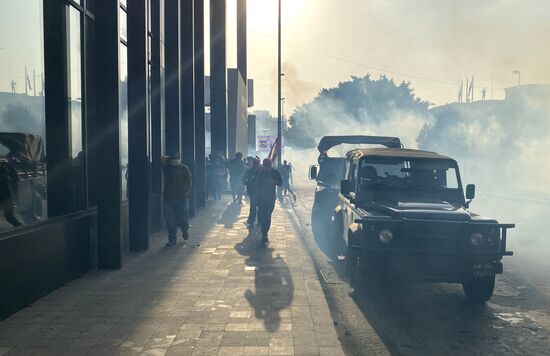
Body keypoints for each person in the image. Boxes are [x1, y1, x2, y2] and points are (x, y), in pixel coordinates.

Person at [161, 151, 192, 246]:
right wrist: (167, 157)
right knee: (170, 219)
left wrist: (187, 191)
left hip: (181, 197)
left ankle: (185, 229)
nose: (174, 161)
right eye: (172, 159)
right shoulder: (167, 168)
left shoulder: (184, 168)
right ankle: (172, 238)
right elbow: (161, 159)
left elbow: (189, 181)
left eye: (176, 159)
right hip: (168, 198)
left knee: (183, 217)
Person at [255, 158, 282, 244]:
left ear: (271, 164)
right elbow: (255, 183)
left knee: (268, 215)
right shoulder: (259, 172)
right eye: (266, 165)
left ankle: (265, 231)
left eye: (269, 164)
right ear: (263, 164)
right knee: (264, 216)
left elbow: (280, 183)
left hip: (270, 197)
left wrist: (274, 182)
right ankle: (264, 233)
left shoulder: (275, 172)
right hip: (261, 197)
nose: (267, 166)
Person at [0, 160, 22, 227]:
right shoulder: (6, 171)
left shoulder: (4, 172)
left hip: (5, 196)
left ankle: (19, 227)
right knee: (9, 216)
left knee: (9, 216)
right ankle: (19, 227)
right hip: (6, 196)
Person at [242, 158, 260, 227]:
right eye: (254, 163)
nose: (255, 164)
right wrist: (247, 183)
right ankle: (252, 220)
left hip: (260, 191)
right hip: (253, 191)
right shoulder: (249, 171)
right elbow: (243, 179)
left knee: (258, 206)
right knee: (253, 206)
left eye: (256, 163)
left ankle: (258, 220)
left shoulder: (261, 170)